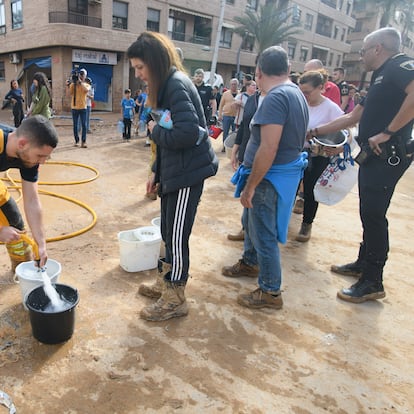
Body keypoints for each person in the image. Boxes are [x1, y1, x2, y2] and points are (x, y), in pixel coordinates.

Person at [314, 27, 414, 303]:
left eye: (363, 51)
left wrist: (389, 131)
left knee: (374, 214)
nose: (361, 57)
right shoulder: (380, 77)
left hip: (389, 152)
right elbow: (351, 118)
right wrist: (313, 132)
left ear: (378, 48)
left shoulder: (398, 66)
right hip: (374, 154)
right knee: (367, 211)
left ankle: (373, 281)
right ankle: (363, 263)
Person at [127, 31, 218, 321]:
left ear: (154, 62)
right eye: (135, 69)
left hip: (187, 175)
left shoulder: (176, 85)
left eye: (141, 68)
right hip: (173, 171)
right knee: (167, 230)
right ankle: (165, 282)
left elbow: (188, 133)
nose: (139, 74)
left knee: (176, 236)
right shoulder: (165, 85)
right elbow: (171, 132)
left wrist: (155, 131)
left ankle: (175, 297)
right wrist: (156, 170)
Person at [221, 45, 309, 310]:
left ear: (258, 73)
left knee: (264, 233)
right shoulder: (295, 92)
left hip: (269, 178)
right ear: (289, 69)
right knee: (251, 222)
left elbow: (268, 147)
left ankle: (270, 291)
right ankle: (250, 262)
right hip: (277, 174)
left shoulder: (275, 97)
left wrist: (251, 186)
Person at [0, 115, 58, 271]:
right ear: (22, 144)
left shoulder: (27, 155)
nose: (42, 162)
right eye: (40, 156)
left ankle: (20, 269)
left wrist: (41, 243)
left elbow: (32, 200)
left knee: (15, 227)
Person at [295, 70, 344, 242]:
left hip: (318, 156)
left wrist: (339, 148)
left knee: (310, 190)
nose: (304, 95)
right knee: (290, 187)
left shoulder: (331, 109)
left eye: (308, 92)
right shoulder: (299, 103)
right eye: (301, 91)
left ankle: (306, 224)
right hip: (295, 152)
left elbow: (348, 133)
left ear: (321, 88)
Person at [66, 68, 90, 148]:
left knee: (84, 125)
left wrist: (80, 83)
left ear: (84, 76)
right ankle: (76, 141)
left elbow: (86, 90)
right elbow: (69, 94)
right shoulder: (73, 85)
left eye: (82, 75)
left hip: (83, 107)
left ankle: (83, 142)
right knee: (75, 125)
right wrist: (68, 86)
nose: (81, 76)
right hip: (74, 107)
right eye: (80, 74)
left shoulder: (86, 84)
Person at [218, 78, 239, 151]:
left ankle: (232, 148)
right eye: (232, 84)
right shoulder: (225, 93)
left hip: (236, 117)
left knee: (234, 133)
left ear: (238, 85)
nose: (233, 86)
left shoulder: (240, 94)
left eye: (235, 84)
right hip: (226, 116)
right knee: (225, 132)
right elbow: (221, 105)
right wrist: (220, 115)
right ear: (230, 85)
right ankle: (224, 146)